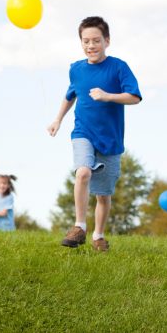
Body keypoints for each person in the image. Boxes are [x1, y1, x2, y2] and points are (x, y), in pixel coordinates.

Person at [47, 16, 141, 252]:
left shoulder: (119, 67)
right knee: (83, 173)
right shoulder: (76, 69)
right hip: (83, 132)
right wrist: (58, 119)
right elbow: (70, 95)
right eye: (86, 41)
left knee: (102, 195)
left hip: (110, 139)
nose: (91, 46)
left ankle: (98, 236)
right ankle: (79, 226)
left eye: (96, 40)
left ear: (107, 41)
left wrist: (108, 96)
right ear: (81, 42)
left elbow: (135, 97)